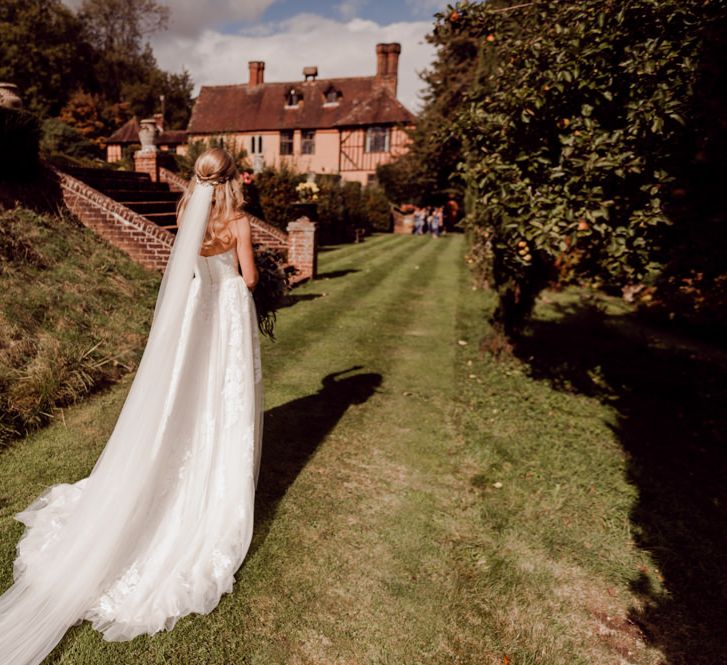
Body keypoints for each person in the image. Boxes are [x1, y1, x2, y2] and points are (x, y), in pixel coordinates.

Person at [0, 148, 263, 664]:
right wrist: (235, 275)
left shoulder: (188, 214)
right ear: (233, 181)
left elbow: (183, 270)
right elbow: (249, 279)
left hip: (195, 310)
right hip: (226, 312)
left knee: (185, 392)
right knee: (223, 397)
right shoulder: (238, 220)